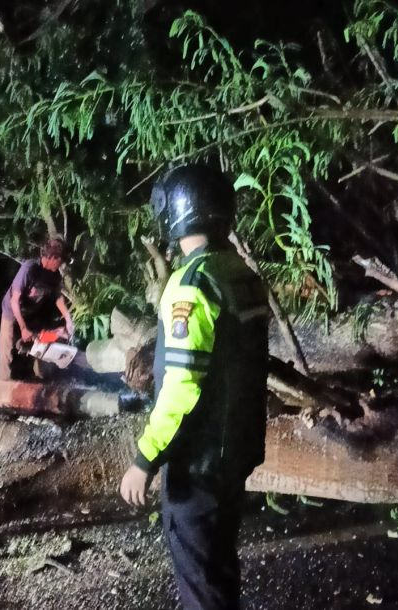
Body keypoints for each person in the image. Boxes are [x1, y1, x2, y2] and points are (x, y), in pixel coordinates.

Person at [119, 164, 270, 610]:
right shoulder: (240, 273)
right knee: (220, 571)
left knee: (202, 585)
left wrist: (145, 458)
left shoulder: (192, 283)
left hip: (198, 463)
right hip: (235, 454)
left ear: (178, 212)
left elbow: (183, 388)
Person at [0, 237, 75, 381]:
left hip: (32, 313)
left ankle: (40, 380)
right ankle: (1, 388)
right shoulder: (30, 268)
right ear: (51, 257)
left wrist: (68, 319)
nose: (61, 265)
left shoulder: (54, 275)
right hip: (12, 312)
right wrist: (23, 328)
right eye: (60, 261)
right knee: (7, 353)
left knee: (46, 339)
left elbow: (57, 297)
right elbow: (14, 301)